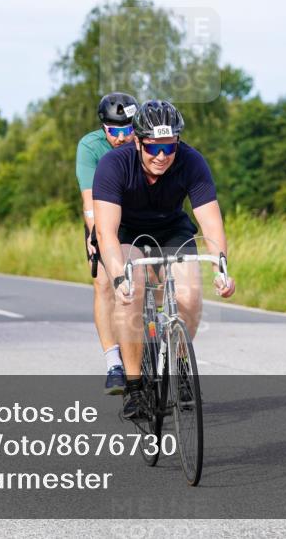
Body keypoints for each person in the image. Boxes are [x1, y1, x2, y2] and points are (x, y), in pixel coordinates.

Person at [92, 100, 236, 420]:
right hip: (126, 231)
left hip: (171, 228)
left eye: (169, 147)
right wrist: (119, 277)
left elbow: (211, 224)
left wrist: (221, 268)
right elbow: (106, 233)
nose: (162, 156)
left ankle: (179, 362)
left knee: (190, 294)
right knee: (133, 290)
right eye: (154, 148)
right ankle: (134, 387)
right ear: (138, 141)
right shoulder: (113, 166)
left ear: (177, 142)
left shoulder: (191, 162)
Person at [75, 92, 139, 395]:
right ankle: (114, 363)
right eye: (116, 131)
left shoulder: (144, 142)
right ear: (104, 129)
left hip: (143, 215)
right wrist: (96, 235)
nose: (123, 137)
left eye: (129, 130)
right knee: (104, 284)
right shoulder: (90, 147)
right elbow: (90, 203)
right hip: (105, 218)